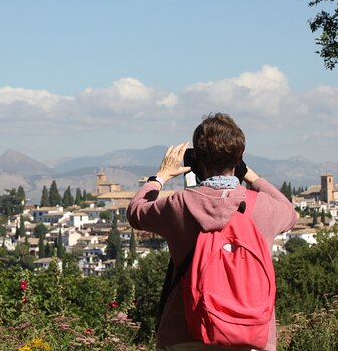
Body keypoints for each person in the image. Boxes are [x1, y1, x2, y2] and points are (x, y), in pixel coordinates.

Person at [127, 113, 298, 351]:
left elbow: (136, 212)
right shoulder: (262, 208)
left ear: (196, 161)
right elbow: (290, 212)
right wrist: (249, 174)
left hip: (186, 333)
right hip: (252, 337)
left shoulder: (180, 205)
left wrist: (160, 176)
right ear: (238, 159)